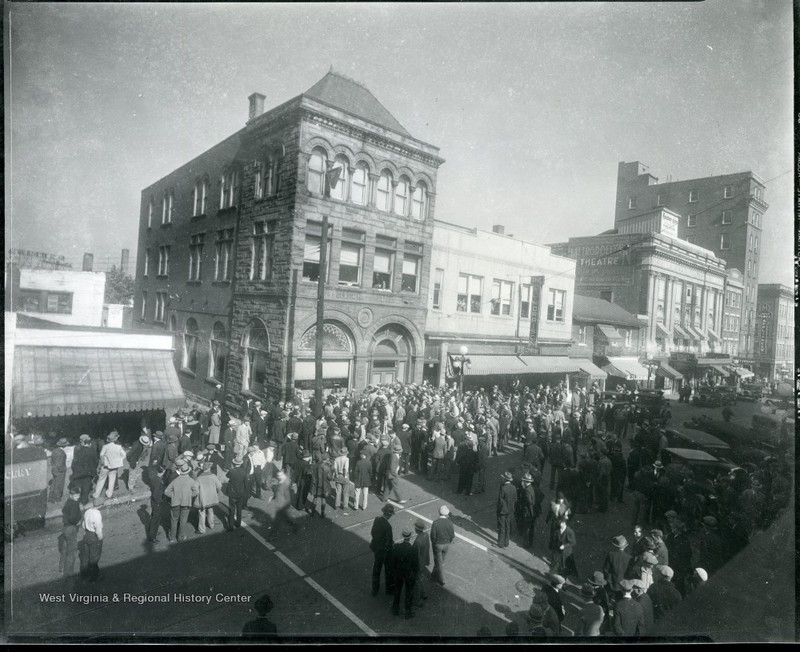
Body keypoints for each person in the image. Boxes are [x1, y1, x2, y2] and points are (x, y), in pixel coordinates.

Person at [164, 462, 199, 542]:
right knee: (183, 521)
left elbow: (166, 492)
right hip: (186, 503)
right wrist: (189, 496)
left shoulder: (175, 480)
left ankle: (172, 537)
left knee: (174, 520)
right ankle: (180, 537)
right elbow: (196, 492)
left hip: (175, 503)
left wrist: (173, 496)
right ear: (188, 471)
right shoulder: (191, 481)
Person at [391, 527, 419, 619]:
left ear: (403, 536)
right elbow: (416, 564)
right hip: (409, 574)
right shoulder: (413, 549)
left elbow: (393, 561)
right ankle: (408, 612)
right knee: (408, 593)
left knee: (397, 591)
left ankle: (395, 610)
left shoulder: (397, 547)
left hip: (399, 573)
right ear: (410, 537)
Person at [370, 504, 395, 596]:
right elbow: (389, 541)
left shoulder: (377, 520)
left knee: (376, 570)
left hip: (377, 548)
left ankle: (374, 590)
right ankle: (389, 590)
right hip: (385, 551)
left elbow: (372, 532)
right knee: (388, 570)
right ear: (389, 515)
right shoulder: (388, 527)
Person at [94, 431, 126, 500]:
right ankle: (109, 494)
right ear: (115, 439)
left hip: (105, 466)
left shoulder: (105, 446)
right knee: (112, 479)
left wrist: (103, 462)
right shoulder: (118, 447)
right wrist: (118, 461)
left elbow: (101, 455)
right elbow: (124, 455)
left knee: (101, 479)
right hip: (114, 466)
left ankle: (96, 494)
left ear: (108, 440)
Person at [59, 486, 82, 578]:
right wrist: (78, 520)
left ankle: (61, 567)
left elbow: (63, 510)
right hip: (71, 528)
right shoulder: (75, 504)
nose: (77, 498)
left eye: (78, 496)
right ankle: (68, 573)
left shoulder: (68, 501)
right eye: (75, 496)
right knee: (71, 552)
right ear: (71, 495)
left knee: (64, 549)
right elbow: (72, 518)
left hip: (64, 528)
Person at [430, 504, 455, 586]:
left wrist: (434, 543)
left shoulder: (436, 523)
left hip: (438, 544)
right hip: (446, 544)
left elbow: (433, 535)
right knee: (440, 561)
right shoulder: (450, 523)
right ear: (446, 514)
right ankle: (434, 574)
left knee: (438, 561)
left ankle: (442, 579)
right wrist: (448, 541)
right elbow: (452, 535)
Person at [80, 497, 104, 582]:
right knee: (94, 558)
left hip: (86, 535)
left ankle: (84, 574)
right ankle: (94, 576)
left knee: (86, 556)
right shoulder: (97, 515)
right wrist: (100, 538)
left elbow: (83, 524)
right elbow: (98, 529)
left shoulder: (88, 512)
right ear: (101, 505)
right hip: (94, 536)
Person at [72, 434, 99, 506]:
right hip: (89, 472)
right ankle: (84, 501)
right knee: (86, 486)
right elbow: (96, 462)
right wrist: (93, 469)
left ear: (83, 443)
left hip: (79, 472)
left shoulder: (78, 451)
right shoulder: (93, 451)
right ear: (90, 443)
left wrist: (74, 470)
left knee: (78, 486)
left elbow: (74, 462)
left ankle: (76, 500)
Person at [195, 461, 222, 533]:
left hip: (203, 498)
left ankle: (202, 529)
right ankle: (211, 525)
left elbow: (195, 489)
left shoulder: (199, 478)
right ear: (209, 468)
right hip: (211, 497)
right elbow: (219, 486)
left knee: (202, 513)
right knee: (210, 510)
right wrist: (216, 492)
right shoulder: (213, 476)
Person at [411, 519, 431, 607]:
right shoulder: (426, 535)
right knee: (420, 579)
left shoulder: (417, 541)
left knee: (416, 582)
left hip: (418, 564)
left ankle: (418, 600)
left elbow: (414, 555)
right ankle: (423, 593)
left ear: (416, 530)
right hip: (423, 562)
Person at [227, 458, 249, 530]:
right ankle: (238, 524)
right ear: (241, 463)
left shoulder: (231, 471)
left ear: (234, 463)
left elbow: (227, 476)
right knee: (239, 509)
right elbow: (246, 483)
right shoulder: (244, 472)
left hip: (232, 493)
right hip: (240, 493)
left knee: (232, 509)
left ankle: (231, 526)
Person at [496, 471, 517, 548]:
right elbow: (515, 499)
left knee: (502, 526)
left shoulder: (503, 488)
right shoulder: (514, 487)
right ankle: (506, 542)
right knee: (508, 526)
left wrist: (498, 509)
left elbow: (500, 501)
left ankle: (500, 543)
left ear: (504, 479)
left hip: (502, 510)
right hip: (510, 509)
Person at [519, 473, 539, 549]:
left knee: (526, 529)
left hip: (528, 513)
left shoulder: (527, 491)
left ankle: (526, 544)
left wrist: (531, 513)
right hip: (533, 511)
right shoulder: (531, 487)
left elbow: (529, 503)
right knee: (531, 528)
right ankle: (530, 542)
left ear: (525, 481)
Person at [146, 463, 165, 543]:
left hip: (154, 501)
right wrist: (158, 502)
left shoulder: (155, 478)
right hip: (157, 502)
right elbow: (156, 493)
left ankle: (154, 532)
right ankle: (152, 536)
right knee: (155, 518)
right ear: (163, 471)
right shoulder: (158, 481)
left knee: (155, 517)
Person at [49, 438, 69, 503]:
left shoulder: (54, 451)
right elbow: (59, 464)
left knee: (54, 484)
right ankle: (57, 498)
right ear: (64, 445)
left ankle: (51, 497)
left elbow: (51, 461)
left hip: (54, 470)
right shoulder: (61, 453)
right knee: (59, 485)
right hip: (60, 471)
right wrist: (64, 469)